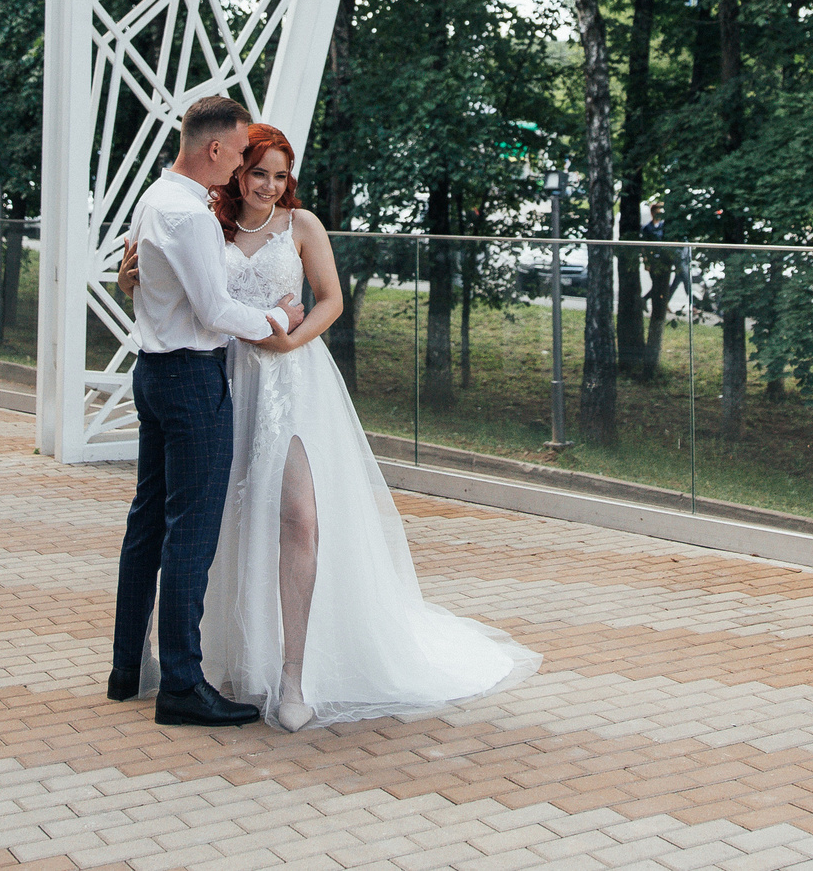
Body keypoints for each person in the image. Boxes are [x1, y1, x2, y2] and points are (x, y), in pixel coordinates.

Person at [124, 124, 538, 731]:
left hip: (292, 379)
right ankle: (230, 662)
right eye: (258, 171)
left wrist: (289, 340)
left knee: (300, 518)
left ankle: (294, 677)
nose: (269, 185)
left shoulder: (303, 226)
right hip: (226, 377)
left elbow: (331, 300)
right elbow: (170, 284)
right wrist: (129, 277)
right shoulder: (205, 224)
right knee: (226, 523)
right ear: (236, 171)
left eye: (280, 174)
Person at [108, 96, 305, 728]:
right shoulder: (191, 215)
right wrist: (278, 320)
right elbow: (217, 312)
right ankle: (183, 687)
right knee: (189, 533)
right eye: (241, 152)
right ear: (215, 150)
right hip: (192, 380)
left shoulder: (155, 198)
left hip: (153, 373)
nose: (244, 163)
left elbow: (148, 278)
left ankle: (125, 668)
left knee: (146, 525)